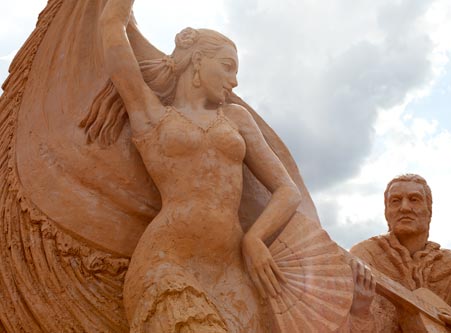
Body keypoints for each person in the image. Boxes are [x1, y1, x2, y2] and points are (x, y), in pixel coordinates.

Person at [99, 0, 304, 331]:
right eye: (227, 66)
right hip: (166, 264)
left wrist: (255, 238)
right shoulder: (150, 115)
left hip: (233, 271)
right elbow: (111, 24)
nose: (234, 81)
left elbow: (287, 191)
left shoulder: (237, 119)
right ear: (198, 59)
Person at [350, 174, 451, 332]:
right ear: (387, 212)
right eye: (395, 201)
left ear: (429, 211)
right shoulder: (364, 256)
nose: (405, 207)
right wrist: (358, 311)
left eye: (414, 199)